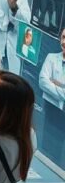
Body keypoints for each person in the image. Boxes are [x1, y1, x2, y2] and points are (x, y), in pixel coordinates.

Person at [38, 29, 65, 162]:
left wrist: (55, 84)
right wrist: (62, 89)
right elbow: (43, 82)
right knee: (47, 148)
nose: (64, 42)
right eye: (63, 37)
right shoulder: (51, 58)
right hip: (51, 109)